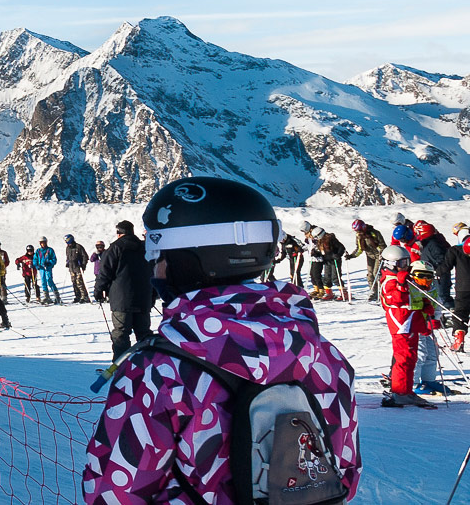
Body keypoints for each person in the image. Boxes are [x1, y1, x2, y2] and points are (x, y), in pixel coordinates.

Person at [83, 176, 361, 502]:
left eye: (157, 253)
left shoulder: (159, 372)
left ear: (188, 260)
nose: (152, 267)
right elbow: (343, 474)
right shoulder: (324, 356)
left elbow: (114, 493)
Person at [379, 245, 436, 408]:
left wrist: (424, 306)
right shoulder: (390, 280)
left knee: (411, 357)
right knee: (403, 358)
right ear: (391, 263)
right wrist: (401, 284)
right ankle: (399, 392)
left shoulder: (402, 277)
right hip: (400, 324)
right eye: (401, 263)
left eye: (406, 262)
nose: (405, 267)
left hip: (409, 321)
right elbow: (394, 299)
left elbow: (412, 298)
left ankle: (406, 390)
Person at [92, 219, 152, 360]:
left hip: (121, 300)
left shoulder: (115, 248)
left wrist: (98, 290)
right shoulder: (145, 247)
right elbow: (153, 271)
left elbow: (105, 272)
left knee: (121, 333)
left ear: (119, 233)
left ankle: (121, 367)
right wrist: (152, 295)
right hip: (143, 299)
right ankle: (148, 364)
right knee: (144, 333)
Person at [408, 260, 456, 396]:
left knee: (433, 352)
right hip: (414, 327)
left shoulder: (432, 289)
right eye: (421, 275)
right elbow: (407, 307)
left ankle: (428, 380)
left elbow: (437, 305)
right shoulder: (410, 287)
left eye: (429, 276)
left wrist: (435, 318)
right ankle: (413, 383)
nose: (426, 280)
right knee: (420, 354)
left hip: (426, 326)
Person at [415, 221, 456, 310]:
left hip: (439, 274)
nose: (417, 235)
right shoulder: (427, 244)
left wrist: (437, 270)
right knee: (436, 296)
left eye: (419, 233)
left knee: (442, 296)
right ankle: (444, 315)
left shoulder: (434, 244)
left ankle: (452, 313)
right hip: (433, 275)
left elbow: (442, 259)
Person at [348, 217, 386, 302]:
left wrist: (381, 254)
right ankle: (373, 291)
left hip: (378, 255)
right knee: (370, 274)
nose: (358, 232)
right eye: (357, 231)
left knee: (376, 273)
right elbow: (359, 249)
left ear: (363, 228)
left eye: (359, 230)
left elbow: (382, 245)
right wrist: (351, 256)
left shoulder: (374, 233)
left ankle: (382, 292)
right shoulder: (359, 236)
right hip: (369, 255)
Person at [64, 234, 90, 303]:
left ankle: (84, 296)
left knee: (79, 282)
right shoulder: (68, 248)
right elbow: (68, 256)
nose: (66, 242)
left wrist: (83, 264)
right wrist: (67, 262)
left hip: (78, 267)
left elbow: (85, 256)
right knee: (74, 282)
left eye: (67, 240)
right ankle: (77, 296)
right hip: (71, 268)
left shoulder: (78, 247)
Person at [35, 237, 59, 304]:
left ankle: (57, 296)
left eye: (44, 242)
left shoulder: (50, 250)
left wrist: (49, 263)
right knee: (43, 282)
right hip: (41, 268)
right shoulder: (38, 251)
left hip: (48, 268)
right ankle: (46, 297)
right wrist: (37, 265)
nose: (43, 244)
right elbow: (35, 259)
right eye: (42, 243)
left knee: (49, 280)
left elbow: (54, 259)